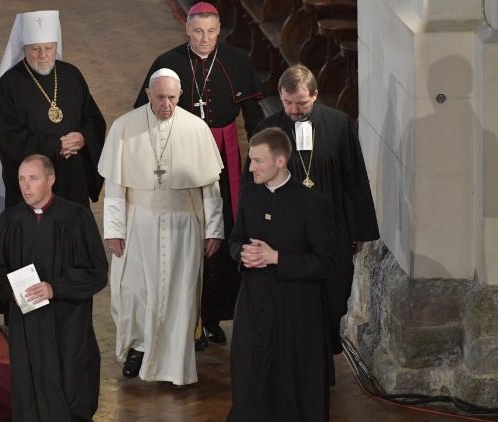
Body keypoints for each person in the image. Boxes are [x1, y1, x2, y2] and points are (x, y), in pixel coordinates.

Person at [134, 1, 264, 347]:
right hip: (180, 160)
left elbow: (253, 116)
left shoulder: (237, 61)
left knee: (218, 236)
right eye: (197, 32)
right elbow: (142, 113)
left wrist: (263, 161)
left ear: (219, 30)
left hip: (223, 158)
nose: (204, 39)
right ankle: (182, 316)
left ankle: (211, 316)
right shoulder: (168, 63)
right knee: (182, 235)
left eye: (210, 31)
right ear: (186, 29)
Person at [99, 69, 224, 386]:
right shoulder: (125, 128)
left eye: (171, 97)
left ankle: (176, 360)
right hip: (139, 222)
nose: (165, 104)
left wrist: (214, 229)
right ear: (147, 93)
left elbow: (210, 186)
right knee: (135, 291)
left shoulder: (196, 129)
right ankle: (139, 349)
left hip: (184, 224)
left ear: (179, 96)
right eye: (159, 97)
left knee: (179, 292)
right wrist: (114, 230)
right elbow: (115, 185)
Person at [253, 64, 380, 355]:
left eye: (301, 103)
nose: (294, 110)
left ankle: (321, 362)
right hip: (286, 236)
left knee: (333, 296)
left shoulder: (338, 124)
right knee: (292, 302)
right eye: (287, 103)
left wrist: (358, 229)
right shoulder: (268, 130)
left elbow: (354, 178)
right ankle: (295, 361)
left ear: (316, 95)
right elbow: (256, 185)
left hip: (331, 230)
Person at [0, 154, 108, 422]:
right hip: (27, 327)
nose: (26, 187)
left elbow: (96, 273)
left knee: (71, 388)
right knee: (29, 395)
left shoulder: (76, 217)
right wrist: (14, 288)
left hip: (67, 324)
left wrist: (54, 288)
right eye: (22, 179)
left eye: (33, 179)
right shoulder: (11, 220)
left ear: (51, 179)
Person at [229, 127, 334, 421]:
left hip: (295, 313)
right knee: (251, 379)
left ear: (280, 161)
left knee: (292, 386)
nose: (251, 168)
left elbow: (325, 264)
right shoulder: (249, 194)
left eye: (258, 161)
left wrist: (277, 258)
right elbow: (235, 239)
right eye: (251, 160)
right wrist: (241, 254)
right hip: (254, 306)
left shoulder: (313, 204)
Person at [0, 10, 106, 210]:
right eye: (35, 49)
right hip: (33, 187)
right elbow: (8, 138)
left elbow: (93, 120)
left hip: (72, 178)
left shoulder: (71, 75)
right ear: (24, 48)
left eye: (49, 48)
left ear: (56, 46)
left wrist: (83, 138)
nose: (43, 55)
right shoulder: (9, 84)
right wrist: (56, 146)